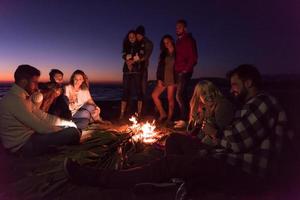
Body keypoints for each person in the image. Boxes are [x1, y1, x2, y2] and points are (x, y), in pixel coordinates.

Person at [64, 64, 289, 194]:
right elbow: (211, 134)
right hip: (224, 155)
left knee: (170, 162)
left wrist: (213, 134)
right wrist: (205, 130)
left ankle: (98, 177)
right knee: (174, 140)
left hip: (242, 171)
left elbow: (236, 142)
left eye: (235, 84)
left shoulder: (263, 102)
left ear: (249, 82)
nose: (231, 90)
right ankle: (175, 184)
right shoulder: (249, 105)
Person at [0, 65, 81, 156]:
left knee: (70, 128)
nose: (36, 87)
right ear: (23, 82)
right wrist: (65, 129)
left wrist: (67, 123)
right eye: (34, 82)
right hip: (22, 146)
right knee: (73, 133)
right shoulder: (14, 100)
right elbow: (41, 127)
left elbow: (43, 116)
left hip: (31, 136)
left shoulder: (22, 98)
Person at [183, 80, 234, 147]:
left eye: (211, 91)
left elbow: (226, 135)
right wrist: (198, 122)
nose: (209, 95)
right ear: (198, 96)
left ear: (215, 91)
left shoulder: (222, 105)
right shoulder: (204, 107)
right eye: (204, 93)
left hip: (219, 144)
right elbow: (192, 133)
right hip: (205, 142)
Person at [173, 19, 198, 129]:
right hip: (178, 71)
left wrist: (185, 70)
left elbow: (194, 57)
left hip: (185, 71)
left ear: (185, 28)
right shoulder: (178, 41)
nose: (177, 29)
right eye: (176, 27)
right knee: (182, 95)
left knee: (179, 95)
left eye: (179, 27)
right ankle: (185, 118)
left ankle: (185, 120)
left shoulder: (189, 40)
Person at [152, 35, 176, 124]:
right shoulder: (163, 53)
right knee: (154, 95)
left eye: (168, 42)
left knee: (170, 98)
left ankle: (169, 118)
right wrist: (159, 79)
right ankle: (163, 113)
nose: (166, 44)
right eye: (164, 43)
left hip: (173, 78)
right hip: (163, 78)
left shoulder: (177, 52)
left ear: (172, 41)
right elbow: (159, 67)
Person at [120, 30, 144, 119]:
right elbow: (123, 55)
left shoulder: (140, 45)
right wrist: (127, 61)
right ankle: (122, 114)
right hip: (126, 70)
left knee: (139, 91)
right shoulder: (126, 45)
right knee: (125, 91)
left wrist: (132, 62)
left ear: (135, 36)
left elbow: (141, 55)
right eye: (129, 36)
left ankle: (139, 113)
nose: (131, 38)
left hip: (137, 70)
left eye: (133, 36)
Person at [135, 25, 153, 100]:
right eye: (137, 35)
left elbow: (147, 55)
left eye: (139, 35)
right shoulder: (136, 42)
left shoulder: (148, 42)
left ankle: (145, 104)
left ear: (142, 34)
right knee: (136, 87)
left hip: (143, 67)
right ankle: (138, 104)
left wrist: (139, 59)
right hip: (135, 68)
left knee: (143, 87)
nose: (137, 36)